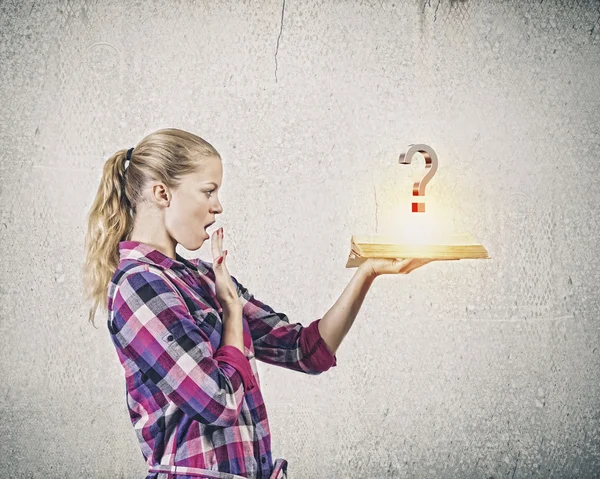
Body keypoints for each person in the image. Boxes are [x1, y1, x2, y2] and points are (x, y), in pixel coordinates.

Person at [82, 128, 438, 479]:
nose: (218, 206)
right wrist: (233, 313)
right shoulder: (138, 285)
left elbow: (305, 351)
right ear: (162, 192)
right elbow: (216, 402)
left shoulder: (206, 279)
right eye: (208, 191)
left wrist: (368, 272)